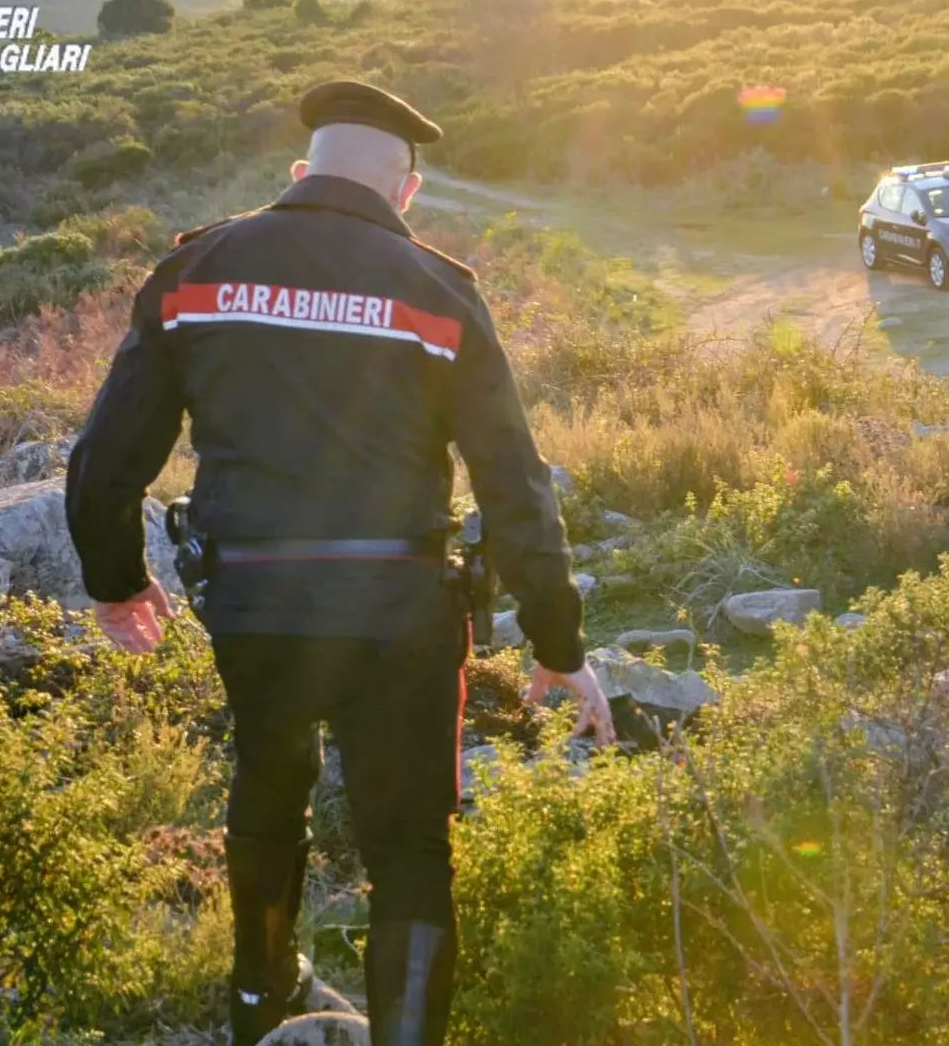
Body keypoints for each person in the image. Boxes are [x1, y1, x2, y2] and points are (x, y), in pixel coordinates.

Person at [64, 80, 616, 1046]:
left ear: (299, 174)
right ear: (407, 191)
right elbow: (514, 489)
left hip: (253, 603)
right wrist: (560, 642)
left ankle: (258, 1002)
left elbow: (104, 464)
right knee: (409, 843)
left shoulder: (195, 272)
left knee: (268, 791)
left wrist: (114, 583)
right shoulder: (442, 293)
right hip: (401, 616)